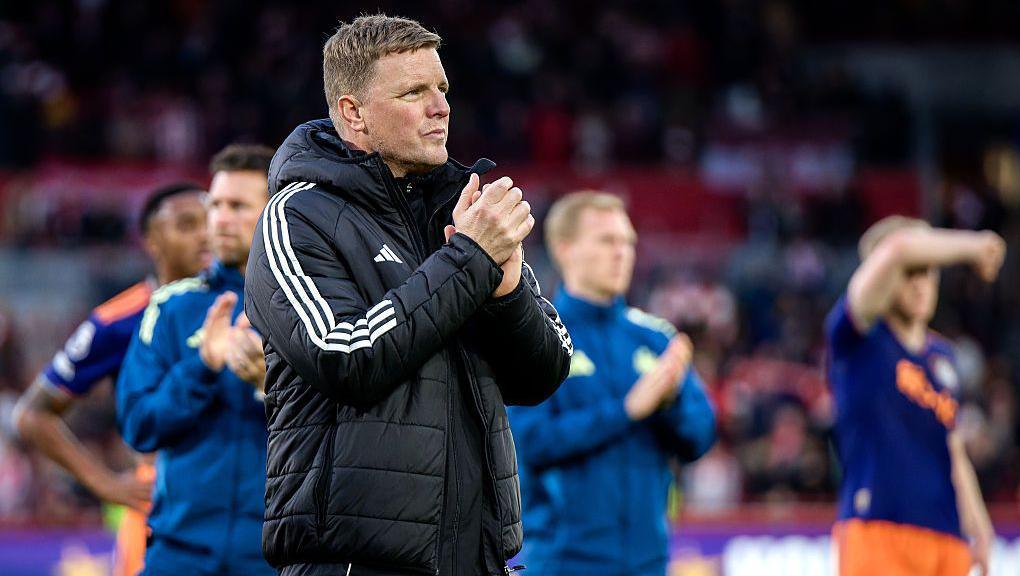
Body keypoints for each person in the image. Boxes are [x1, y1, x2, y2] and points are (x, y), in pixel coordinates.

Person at [244, 14, 573, 576]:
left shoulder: (460, 210)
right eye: (413, 92)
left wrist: (507, 292)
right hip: (355, 563)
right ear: (354, 114)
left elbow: (543, 374)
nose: (441, 106)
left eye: (441, 89)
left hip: (479, 559)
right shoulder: (298, 215)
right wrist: (469, 260)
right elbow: (345, 355)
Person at [507, 191, 716, 576]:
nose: (622, 253)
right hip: (563, 562)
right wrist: (626, 410)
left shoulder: (656, 338)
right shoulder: (535, 335)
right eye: (607, 241)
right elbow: (527, 442)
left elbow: (700, 438)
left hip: (648, 563)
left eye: (628, 242)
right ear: (565, 248)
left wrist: (670, 402)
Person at [13, 182, 209, 576]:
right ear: (152, 241)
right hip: (162, 504)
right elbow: (33, 414)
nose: (205, 234)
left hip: (245, 500)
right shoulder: (119, 320)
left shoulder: (249, 305)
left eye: (209, 221)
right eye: (187, 224)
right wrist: (104, 484)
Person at [116, 144, 276, 576]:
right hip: (177, 552)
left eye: (239, 206)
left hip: (273, 557)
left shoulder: (311, 303)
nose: (220, 219)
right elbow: (137, 424)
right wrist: (201, 365)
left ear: (276, 210)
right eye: (216, 205)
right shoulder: (171, 307)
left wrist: (272, 384)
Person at [826, 216, 1002, 576]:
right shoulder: (858, 338)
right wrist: (975, 246)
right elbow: (898, 248)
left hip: (945, 536)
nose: (922, 285)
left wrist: (978, 523)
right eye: (911, 273)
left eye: (929, 272)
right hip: (879, 529)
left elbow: (951, 447)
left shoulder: (943, 358)